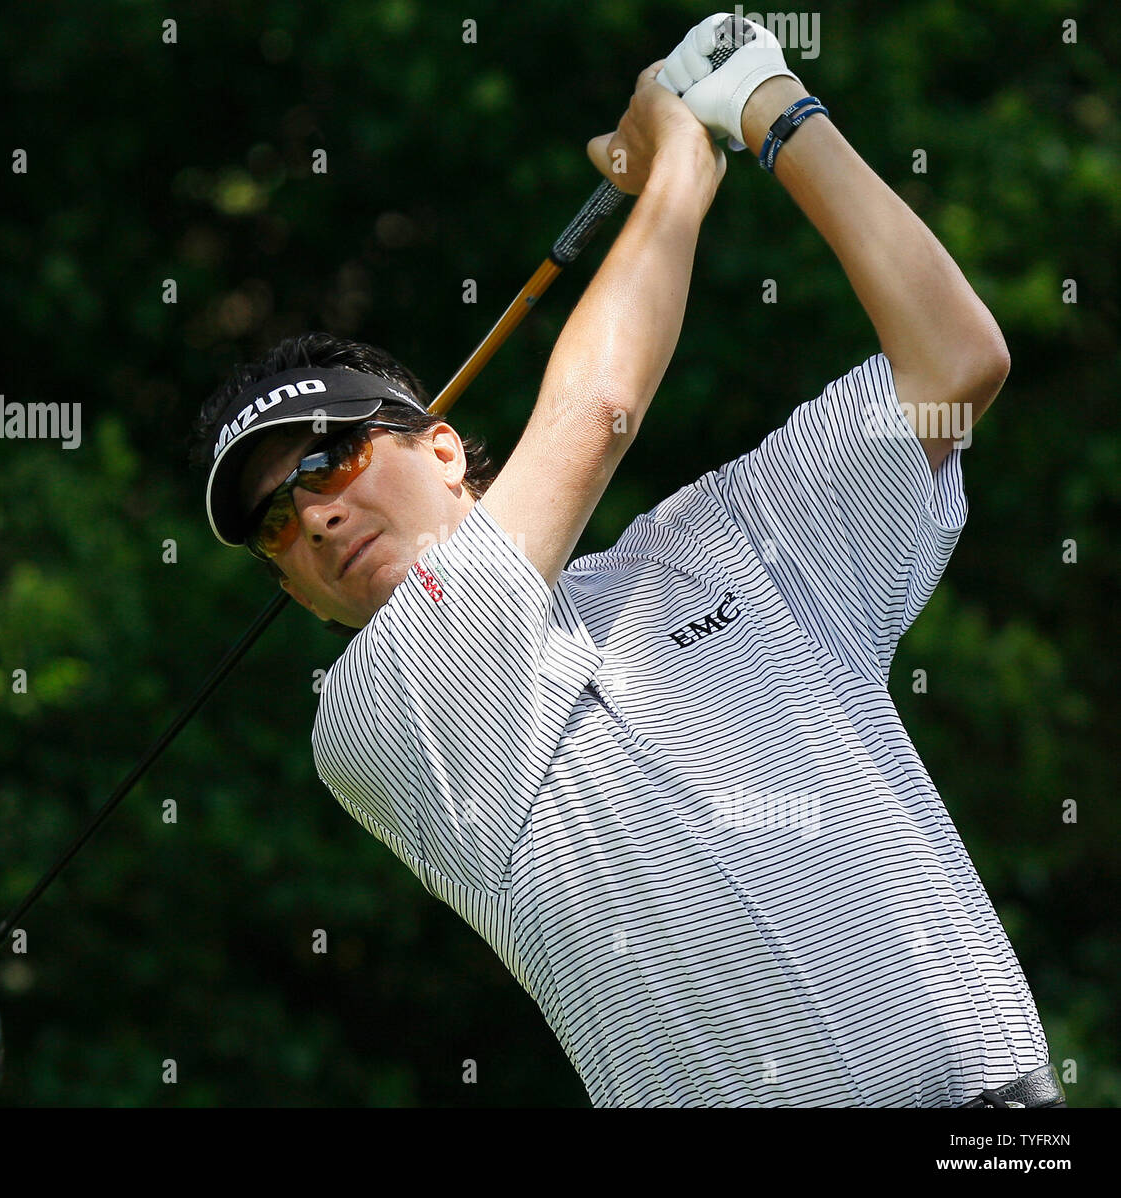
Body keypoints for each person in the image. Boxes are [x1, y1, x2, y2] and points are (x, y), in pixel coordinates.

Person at [193, 15, 1063, 1108]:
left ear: (444, 446)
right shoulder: (376, 719)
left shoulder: (725, 539)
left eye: (332, 456)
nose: (311, 515)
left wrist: (770, 108)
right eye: (273, 521)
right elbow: (599, 409)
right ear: (294, 595)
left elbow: (955, 358)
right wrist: (679, 172)